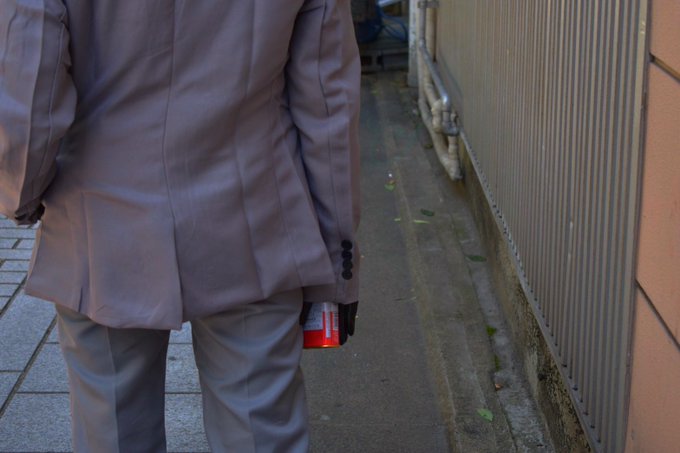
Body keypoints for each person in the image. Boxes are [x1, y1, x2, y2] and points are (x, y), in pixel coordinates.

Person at [0, 1, 360, 451]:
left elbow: (27, 94)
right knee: (260, 429)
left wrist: (21, 198)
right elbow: (327, 104)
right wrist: (337, 259)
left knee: (112, 428)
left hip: (101, 223)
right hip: (254, 218)